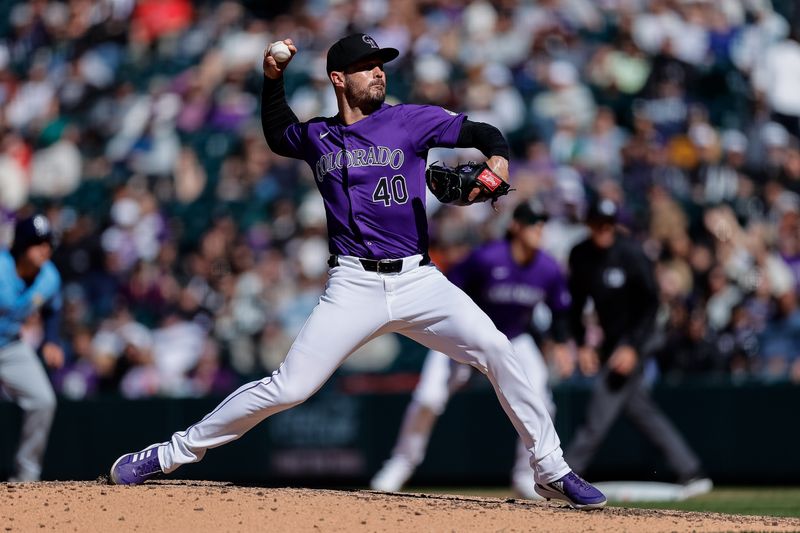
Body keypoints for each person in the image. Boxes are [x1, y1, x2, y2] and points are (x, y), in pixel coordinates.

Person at [109, 33, 606, 510]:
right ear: (337, 79)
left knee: (498, 349)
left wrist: (496, 160)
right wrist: (271, 77)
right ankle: (168, 454)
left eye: (381, 65)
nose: (378, 73)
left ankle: (550, 468)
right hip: (353, 284)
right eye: (366, 67)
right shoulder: (319, 136)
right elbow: (278, 131)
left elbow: (481, 132)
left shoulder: (410, 121)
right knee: (290, 388)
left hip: (418, 281)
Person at [370, 200, 576, 498]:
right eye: (533, 222)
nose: (539, 229)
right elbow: (445, 291)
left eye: (542, 223)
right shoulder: (486, 258)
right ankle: (400, 464)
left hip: (513, 339)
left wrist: (560, 344)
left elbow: (560, 311)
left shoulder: (547, 267)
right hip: (463, 337)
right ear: (515, 226)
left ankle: (525, 475)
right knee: (428, 398)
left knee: (542, 399)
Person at [564, 198, 712, 496]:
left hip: (641, 335)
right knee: (639, 408)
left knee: (599, 411)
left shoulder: (630, 253)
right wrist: (582, 345)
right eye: (598, 223)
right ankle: (691, 471)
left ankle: (564, 473)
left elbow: (651, 305)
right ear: (589, 224)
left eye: (608, 223)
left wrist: (632, 347)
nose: (604, 230)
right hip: (611, 339)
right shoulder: (580, 255)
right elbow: (576, 304)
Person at [0, 214, 63, 481]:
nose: (45, 248)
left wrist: (51, 340)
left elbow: (52, 309)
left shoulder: (49, 276)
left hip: (10, 347)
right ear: (22, 245)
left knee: (43, 400)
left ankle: (27, 476)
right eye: (38, 242)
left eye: (48, 242)